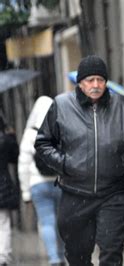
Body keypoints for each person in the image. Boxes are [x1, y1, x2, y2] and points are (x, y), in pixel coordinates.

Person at [35, 55, 124, 266]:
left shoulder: (122, 105)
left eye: (100, 80)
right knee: (77, 257)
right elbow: (43, 143)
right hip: (75, 194)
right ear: (80, 82)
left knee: (112, 253)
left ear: (106, 82)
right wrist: (65, 164)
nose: (96, 85)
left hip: (114, 193)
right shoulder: (61, 105)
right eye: (90, 80)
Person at [18, 96, 66, 266]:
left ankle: (54, 258)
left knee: (47, 221)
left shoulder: (31, 134)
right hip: (60, 183)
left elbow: (23, 164)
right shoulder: (61, 130)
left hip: (37, 184)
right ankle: (62, 255)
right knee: (61, 221)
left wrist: (25, 192)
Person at [0, 116, 19, 266]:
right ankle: (4, 257)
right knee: (4, 223)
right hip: (3, 186)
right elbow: (15, 157)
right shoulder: (5, 141)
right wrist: (11, 135)